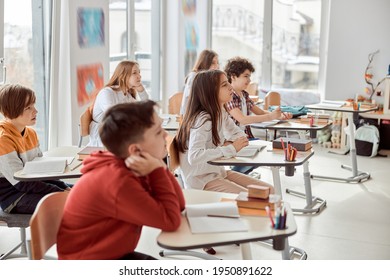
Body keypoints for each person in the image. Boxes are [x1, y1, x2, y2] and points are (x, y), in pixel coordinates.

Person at [57, 100, 185, 260]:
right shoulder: (117, 181)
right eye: (159, 132)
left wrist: (159, 166)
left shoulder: (133, 163)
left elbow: (179, 204)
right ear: (135, 149)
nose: (167, 135)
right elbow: (171, 221)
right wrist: (158, 170)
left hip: (112, 254)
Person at [173, 70, 274, 194]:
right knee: (255, 197)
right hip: (201, 180)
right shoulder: (204, 119)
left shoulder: (220, 112)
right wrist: (231, 148)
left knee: (270, 191)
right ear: (210, 91)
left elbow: (240, 135)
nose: (230, 87)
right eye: (224, 85)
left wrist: (230, 144)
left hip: (217, 172)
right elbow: (194, 157)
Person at [0, 84, 71, 214]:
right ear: (12, 110)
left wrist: (64, 187)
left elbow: (41, 172)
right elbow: (20, 182)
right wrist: (60, 191)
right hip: (15, 197)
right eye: (28, 108)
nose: (35, 111)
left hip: (33, 188)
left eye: (34, 105)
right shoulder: (3, 140)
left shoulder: (31, 133)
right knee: (73, 202)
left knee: (84, 192)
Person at [224, 57, 292, 174]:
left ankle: (239, 175)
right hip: (233, 141)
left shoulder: (244, 94)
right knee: (262, 154)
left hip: (246, 138)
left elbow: (260, 112)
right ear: (233, 76)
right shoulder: (229, 96)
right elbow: (243, 120)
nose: (249, 80)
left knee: (266, 151)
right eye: (246, 76)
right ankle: (236, 175)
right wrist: (271, 117)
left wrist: (278, 116)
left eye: (250, 76)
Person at [88, 60, 149, 147]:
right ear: (123, 76)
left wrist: (141, 91)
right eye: (134, 73)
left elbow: (145, 108)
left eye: (139, 72)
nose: (139, 76)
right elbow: (114, 116)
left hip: (119, 134)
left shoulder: (126, 95)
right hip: (104, 138)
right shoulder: (107, 93)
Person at [180, 49, 219, 116]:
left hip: (201, 115)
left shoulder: (208, 78)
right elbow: (197, 101)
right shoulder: (194, 77)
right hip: (190, 117)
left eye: (217, 63)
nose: (217, 66)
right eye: (213, 63)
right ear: (204, 62)